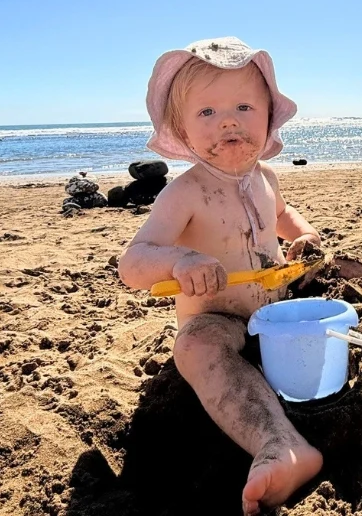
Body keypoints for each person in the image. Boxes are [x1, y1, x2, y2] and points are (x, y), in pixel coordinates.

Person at [116, 37, 324, 514]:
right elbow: (133, 263)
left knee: (333, 275)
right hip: (218, 318)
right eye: (206, 112)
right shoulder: (184, 194)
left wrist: (306, 238)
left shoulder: (266, 177)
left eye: (244, 106)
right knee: (194, 348)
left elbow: (285, 217)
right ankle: (281, 447)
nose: (228, 120)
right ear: (183, 130)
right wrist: (179, 263)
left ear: (269, 117)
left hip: (274, 306)